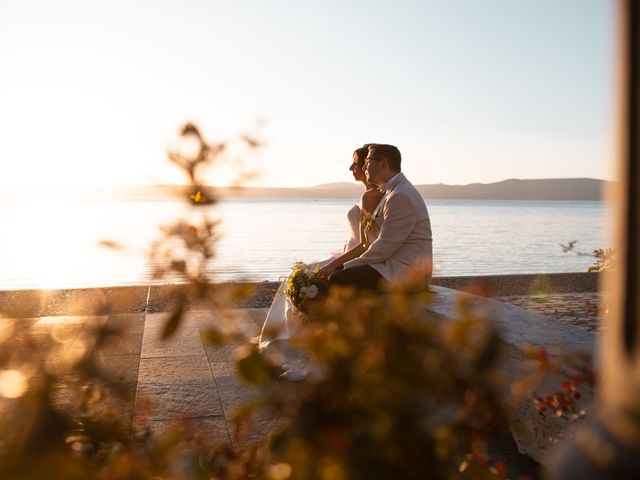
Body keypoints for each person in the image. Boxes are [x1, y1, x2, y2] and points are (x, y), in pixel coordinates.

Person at [258, 145, 383, 353]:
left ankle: (298, 339)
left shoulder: (373, 197)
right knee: (297, 275)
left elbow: (367, 243)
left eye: (355, 163)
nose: (351, 167)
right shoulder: (369, 195)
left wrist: (338, 264)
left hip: (355, 258)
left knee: (302, 277)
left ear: (365, 166)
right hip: (347, 253)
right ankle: (290, 334)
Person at [319, 144, 432, 291]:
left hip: (406, 272)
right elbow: (374, 243)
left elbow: (384, 247)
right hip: (393, 267)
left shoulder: (400, 195)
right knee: (338, 276)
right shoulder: (392, 192)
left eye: (367, 162)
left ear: (383, 163)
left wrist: (342, 266)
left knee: (339, 279)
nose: (364, 168)